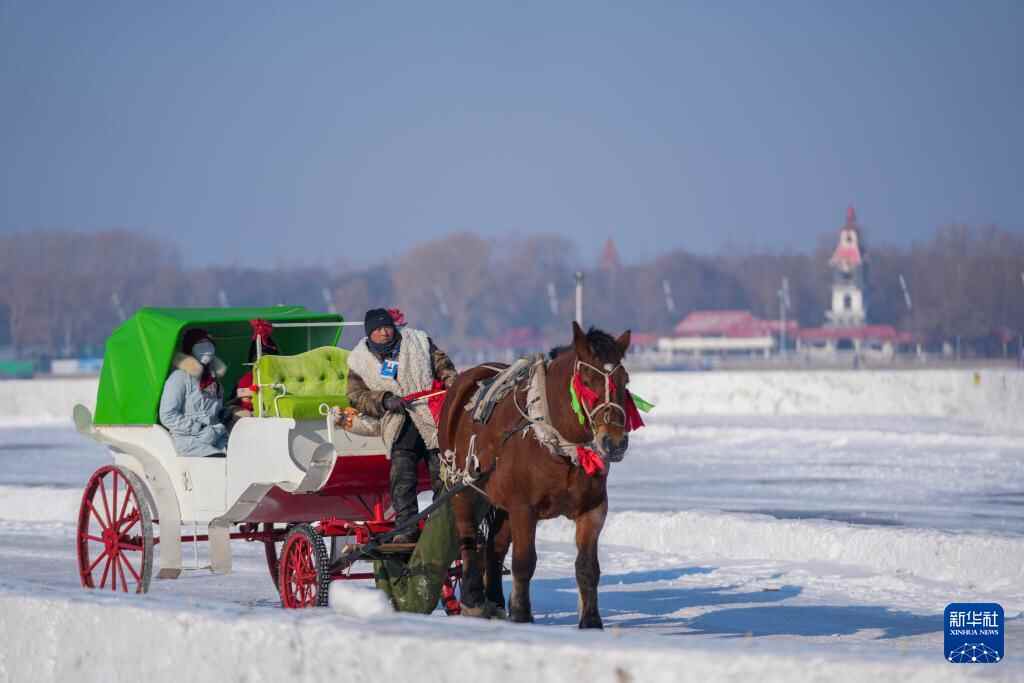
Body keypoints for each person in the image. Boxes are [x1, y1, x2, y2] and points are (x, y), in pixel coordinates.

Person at [346, 308, 457, 542]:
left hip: (429, 417)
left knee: (442, 474)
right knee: (402, 477)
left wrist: (452, 385)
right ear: (369, 333)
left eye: (387, 327)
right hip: (398, 424)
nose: (384, 332)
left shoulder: (418, 341)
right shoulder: (359, 360)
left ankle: (441, 526)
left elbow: (443, 365)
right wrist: (384, 400)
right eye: (377, 329)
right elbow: (356, 396)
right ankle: (407, 528)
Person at [158, 328, 230, 457]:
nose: (206, 347)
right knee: (218, 460)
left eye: (209, 343)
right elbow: (167, 415)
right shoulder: (179, 377)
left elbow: (211, 410)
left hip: (216, 437)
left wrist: (224, 414)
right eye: (200, 343)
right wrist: (198, 428)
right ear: (190, 348)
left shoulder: (213, 378)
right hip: (189, 441)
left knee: (243, 455)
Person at [233, 319, 279, 416]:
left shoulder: (278, 376)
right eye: (258, 359)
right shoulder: (247, 379)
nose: (263, 363)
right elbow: (245, 400)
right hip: (251, 412)